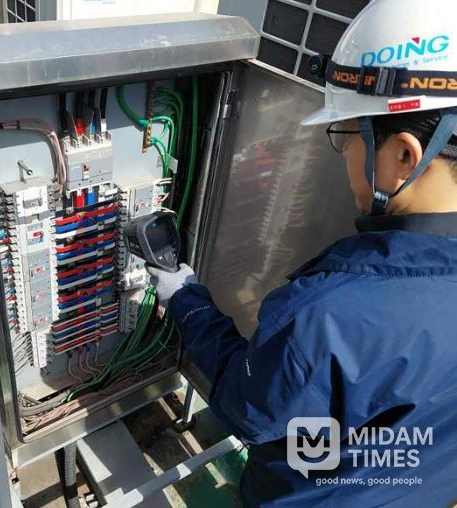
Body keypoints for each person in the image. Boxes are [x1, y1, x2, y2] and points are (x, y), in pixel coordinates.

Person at [148, 0, 457, 506]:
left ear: (405, 154)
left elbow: (249, 408)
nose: (343, 155)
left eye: (346, 136)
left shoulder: (331, 314)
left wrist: (187, 299)